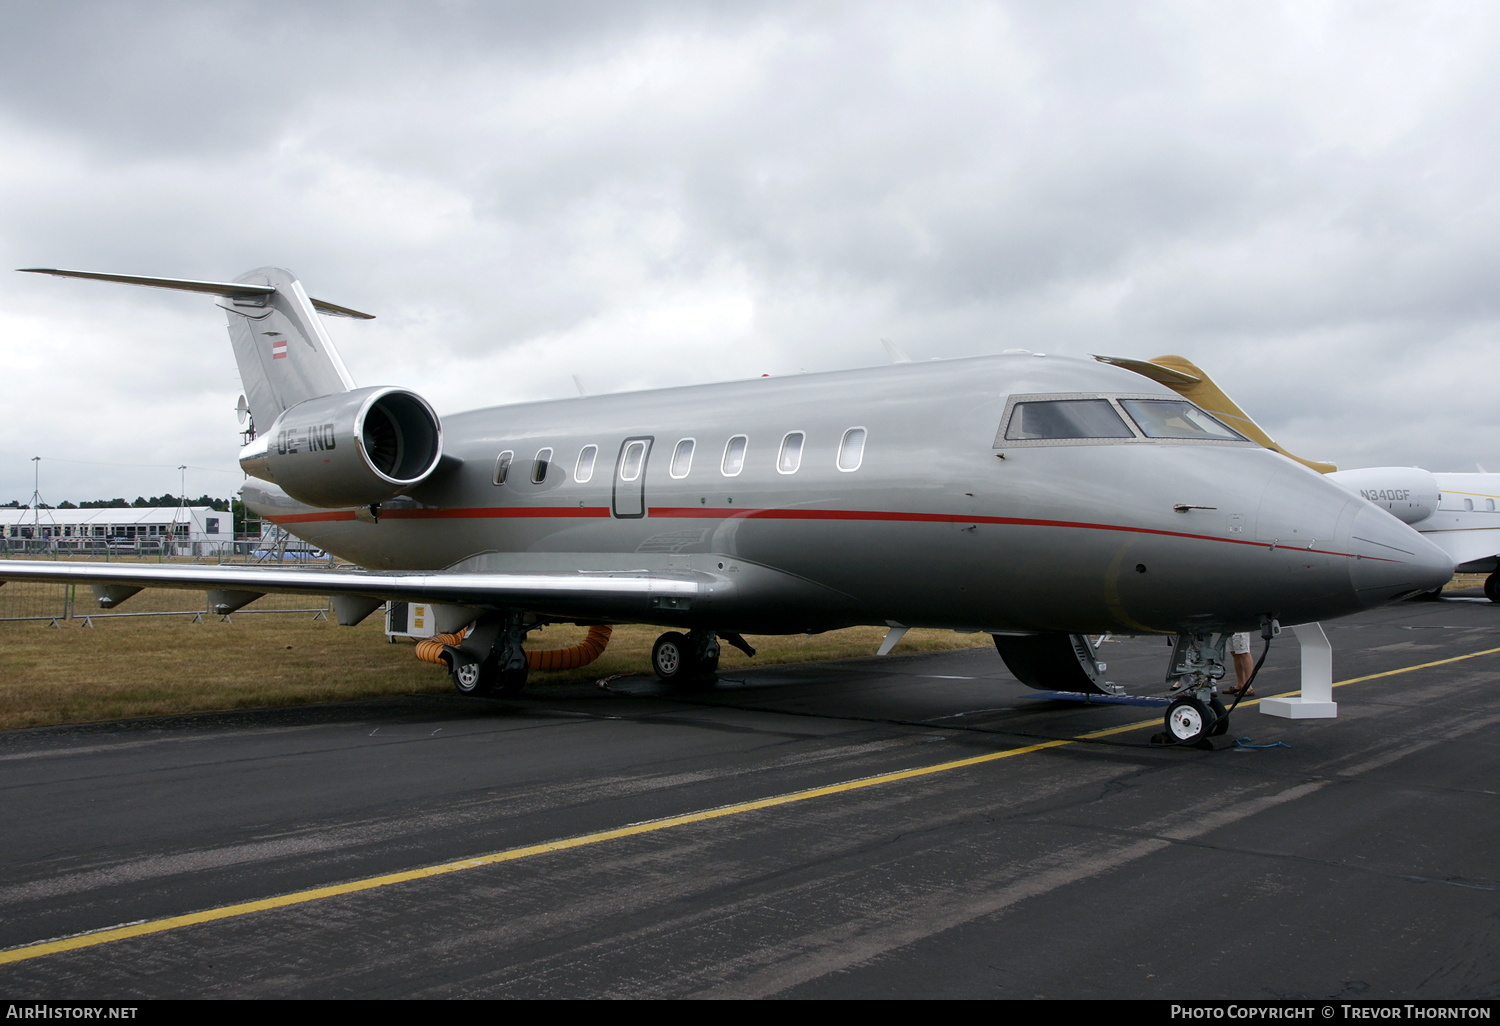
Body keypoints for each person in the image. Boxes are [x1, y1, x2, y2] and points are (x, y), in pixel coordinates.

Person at [1223, 632, 1254, 697]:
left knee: (1244, 652)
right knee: (1234, 653)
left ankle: (1248, 686)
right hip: (1230, 626)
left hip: (1240, 627)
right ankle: (1240, 684)